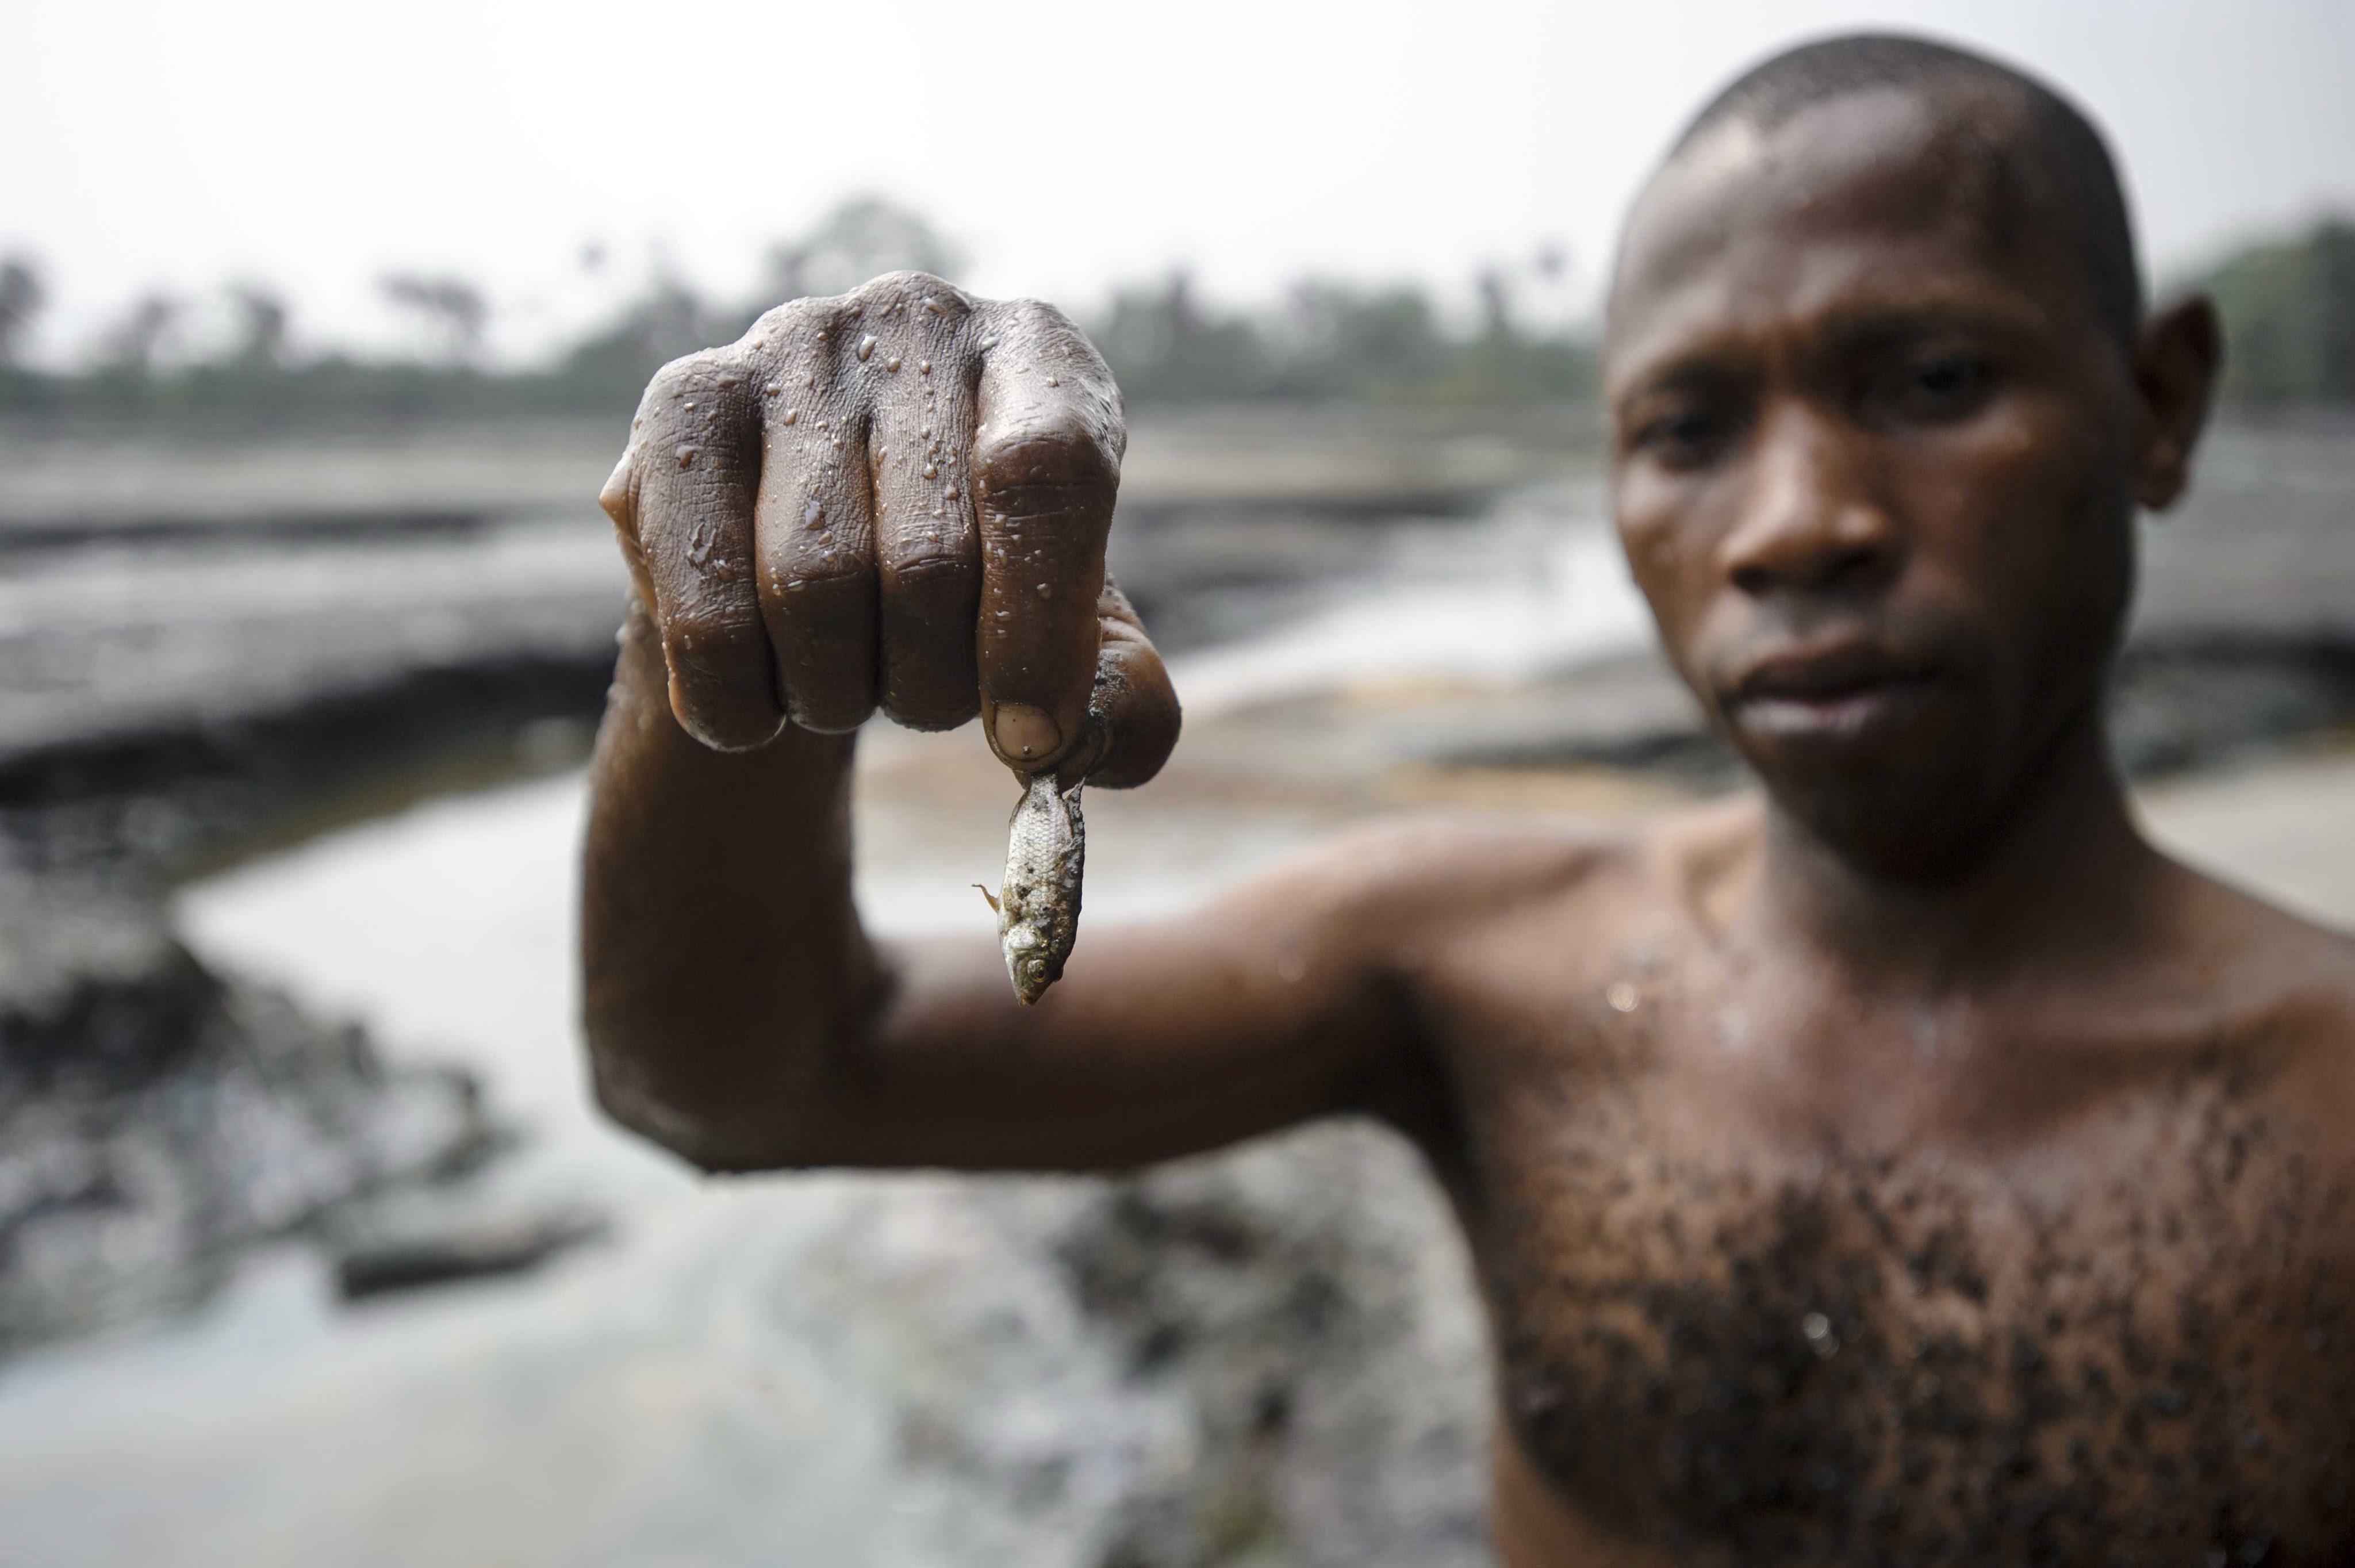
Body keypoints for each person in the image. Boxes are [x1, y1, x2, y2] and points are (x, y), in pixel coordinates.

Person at [581, 32, 2355, 1565]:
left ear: (2157, 404)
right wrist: (720, 627)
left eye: (1935, 382)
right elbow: (745, 1077)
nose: (1799, 518)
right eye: (1687, 429)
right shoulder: (1476, 963)